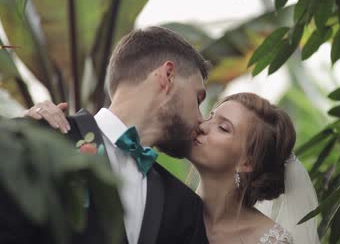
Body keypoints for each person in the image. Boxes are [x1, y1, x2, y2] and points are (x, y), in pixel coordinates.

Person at [28, 93, 321, 244]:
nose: (203, 126)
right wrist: (32, 123)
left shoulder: (271, 240)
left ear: (247, 163)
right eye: (210, 116)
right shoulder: (158, 196)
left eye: (223, 127)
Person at [23, 26, 211, 244]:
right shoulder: (40, 140)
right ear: (167, 75)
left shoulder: (185, 206)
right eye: (198, 99)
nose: (201, 119)